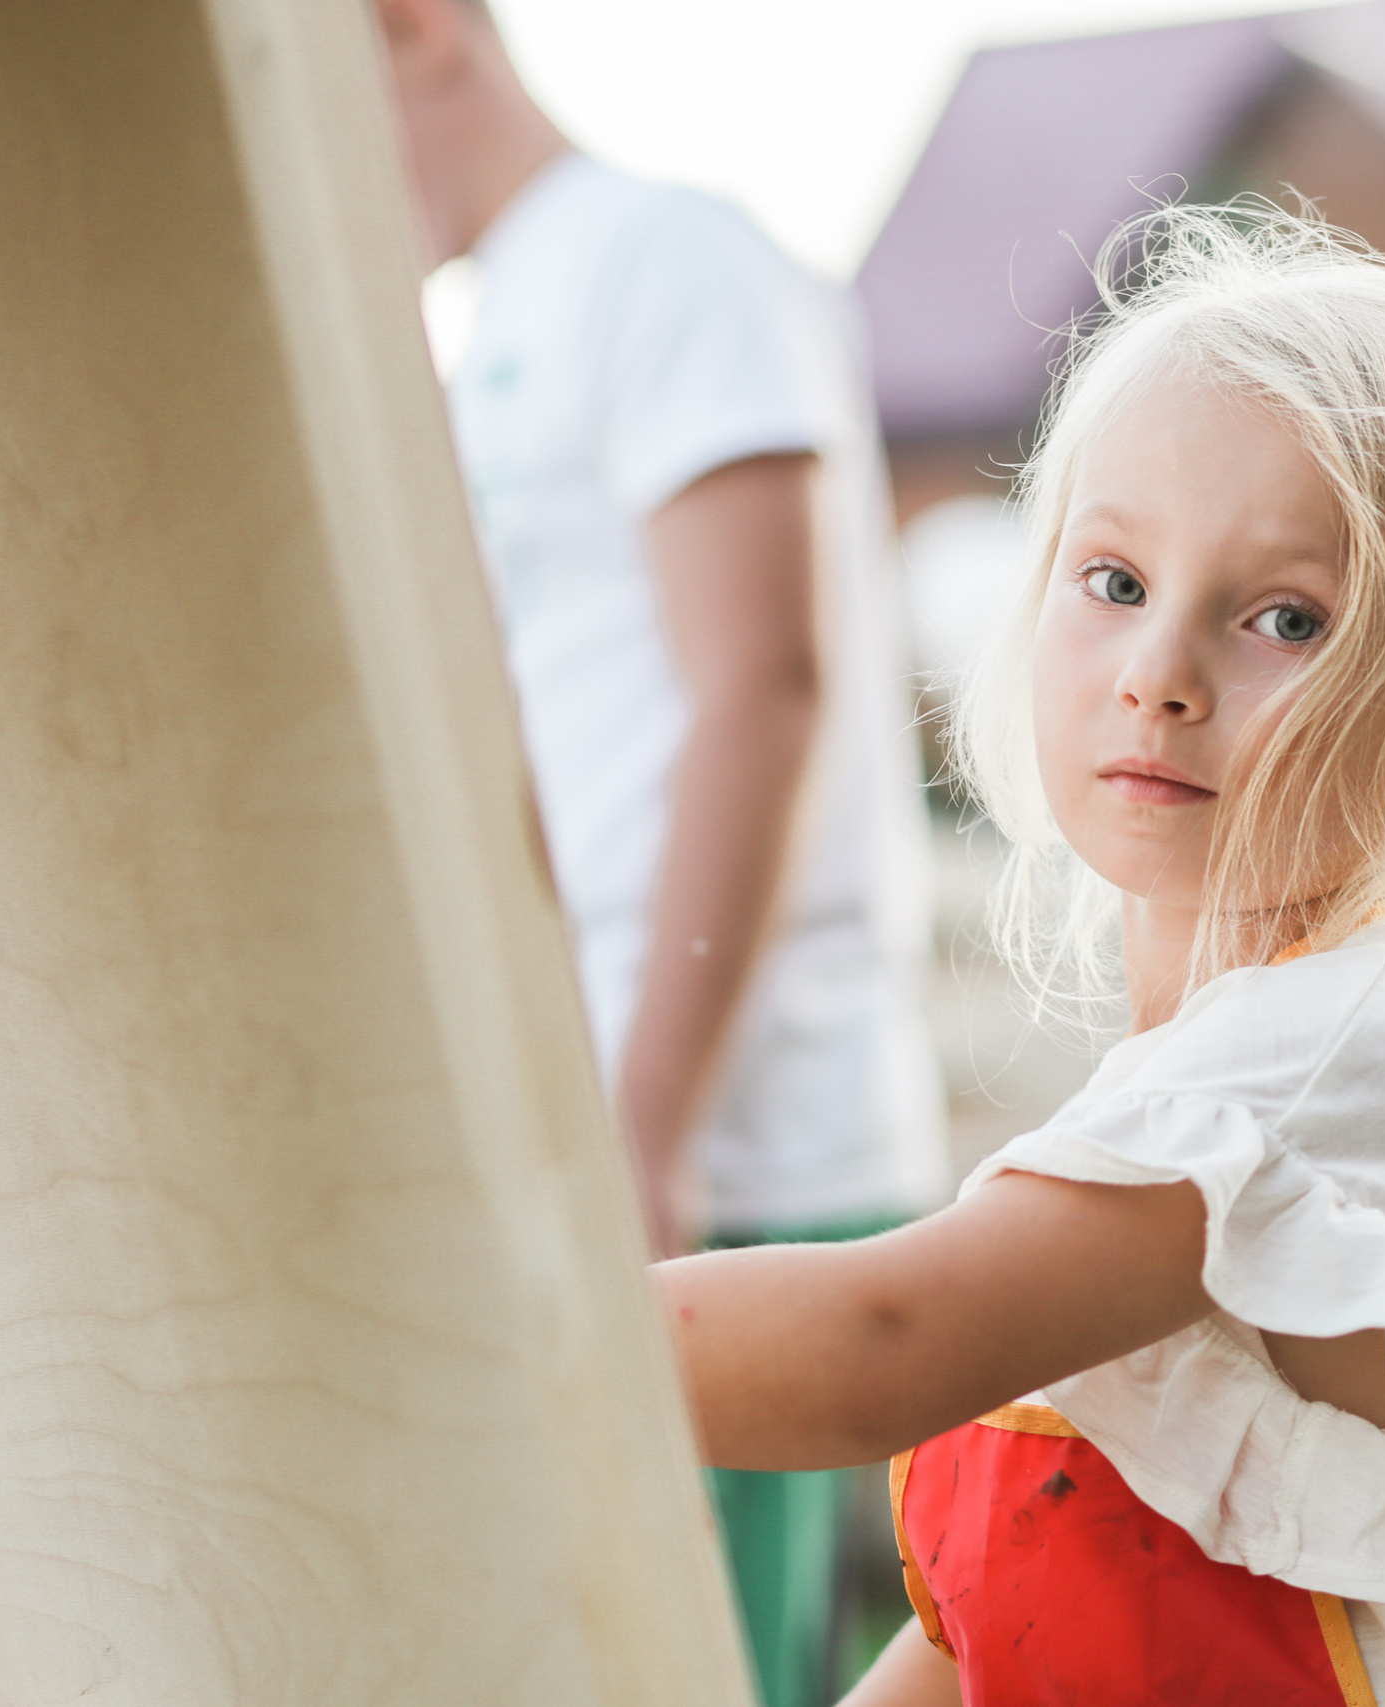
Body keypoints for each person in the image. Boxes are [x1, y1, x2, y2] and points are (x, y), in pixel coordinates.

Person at [658, 205, 1385, 1706]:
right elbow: (980, 1628)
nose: (1160, 675)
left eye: (1285, 618)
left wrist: (480, 1319)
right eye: (1114, 582)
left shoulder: (1357, 1054)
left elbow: (884, 1337)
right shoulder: (1161, 1107)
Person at [376, 5, 949, 1702]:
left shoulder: (667, 258)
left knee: (703, 1664)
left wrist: (648, 1119)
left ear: (412, 30)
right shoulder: (499, 319)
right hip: (616, 1119)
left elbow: (765, 685)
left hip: (731, 1155)